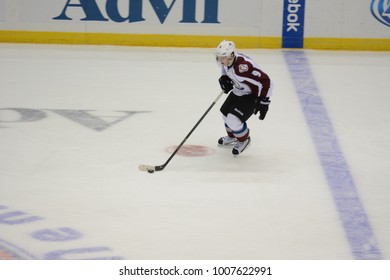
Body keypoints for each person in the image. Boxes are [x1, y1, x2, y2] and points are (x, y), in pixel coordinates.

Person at [215, 40, 273, 155]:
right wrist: (224, 78)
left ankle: (244, 139)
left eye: (223, 57)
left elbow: (266, 81)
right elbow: (224, 68)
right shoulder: (226, 61)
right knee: (225, 114)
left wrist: (264, 101)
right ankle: (233, 136)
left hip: (251, 95)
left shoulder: (242, 68)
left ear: (231, 55)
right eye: (219, 57)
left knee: (233, 119)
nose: (220, 60)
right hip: (239, 90)